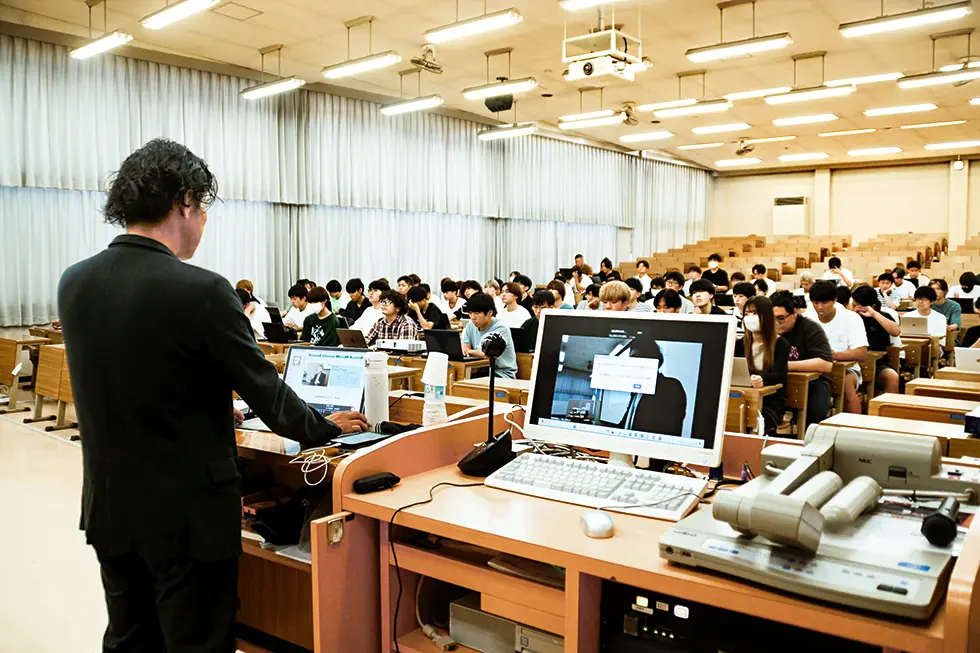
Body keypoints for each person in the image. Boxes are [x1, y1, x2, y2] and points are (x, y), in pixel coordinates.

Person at [57, 139, 367, 653]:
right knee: (198, 642)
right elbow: (266, 393)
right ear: (185, 202)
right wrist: (331, 429)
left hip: (110, 508)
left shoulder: (76, 282)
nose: (203, 222)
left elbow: (135, 376)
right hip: (187, 518)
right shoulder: (201, 290)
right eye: (203, 208)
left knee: (130, 637)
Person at [770, 290, 834, 426]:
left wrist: (784, 365)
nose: (776, 323)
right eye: (772, 318)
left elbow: (825, 363)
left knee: (815, 412)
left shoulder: (810, 328)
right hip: (777, 381)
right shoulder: (766, 330)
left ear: (794, 313)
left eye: (781, 318)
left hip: (814, 382)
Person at [598, 339, 687, 436]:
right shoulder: (637, 392)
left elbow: (668, 431)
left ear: (653, 359)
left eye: (636, 358)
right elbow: (625, 425)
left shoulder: (671, 387)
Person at [809, 281, 867, 414]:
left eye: (824, 302)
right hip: (813, 367)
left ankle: (852, 427)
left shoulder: (851, 318)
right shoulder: (807, 317)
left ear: (835, 300)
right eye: (815, 303)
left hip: (847, 368)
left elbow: (862, 353)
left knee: (845, 384)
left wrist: (833, 355)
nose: (819, 307)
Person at [734, 296, 789, 435]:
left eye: (754, 313)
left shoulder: (781, 344)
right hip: (743, 397)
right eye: (746, 314)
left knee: (759, 419)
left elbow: (779, 375)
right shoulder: (740, 344)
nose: (750, 317)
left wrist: (762, 379)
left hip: (770, 400)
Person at [851, 286, 901, 395]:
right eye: (854, 305)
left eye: (859, 306)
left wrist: (874, 314)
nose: (855, 309)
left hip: (877, 362)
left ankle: (888, 410)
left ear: (872, 305)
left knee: (892, 377)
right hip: (854, 361)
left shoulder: (883, 316)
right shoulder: (851, 318)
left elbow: (896, 331)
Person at [462, 292, 518, 379]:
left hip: (501, 373)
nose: (472, 317)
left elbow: (486, 353)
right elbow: (465, 346)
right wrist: (471, 351)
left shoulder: (500, 328)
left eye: (477, 313)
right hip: (480, 370)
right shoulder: (471, 324)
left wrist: (470, 352)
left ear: (489, 313)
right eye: (470, 313)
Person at [930, 279, 962, 343]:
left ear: (945, 291)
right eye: (932, 289)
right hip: (930, 335)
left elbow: (956, 325)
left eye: (938, 289)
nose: (934, 292)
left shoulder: (954, 306)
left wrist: (949, 327)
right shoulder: (927, 304)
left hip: (948, 336)